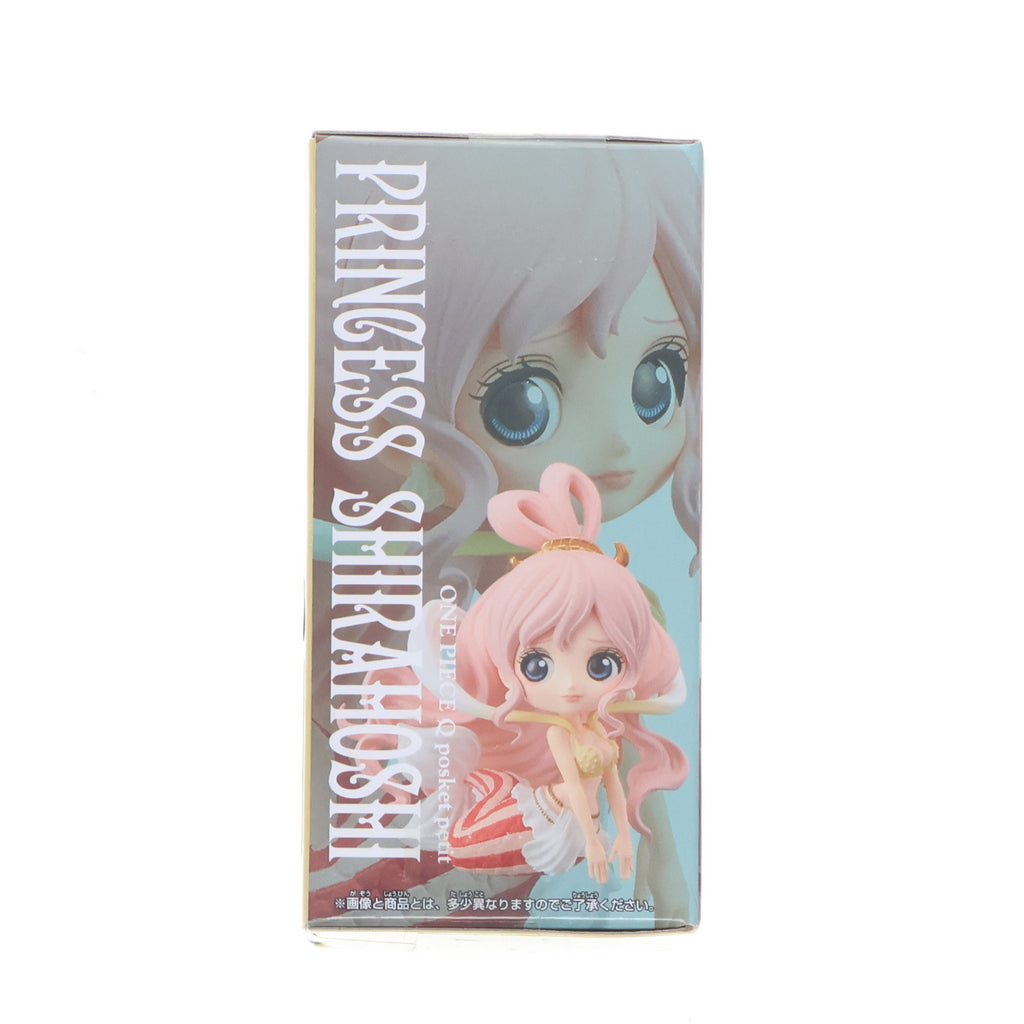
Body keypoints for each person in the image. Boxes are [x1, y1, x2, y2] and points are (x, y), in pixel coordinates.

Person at [370, 463, 689, 883]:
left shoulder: (599, 727)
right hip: (539, 816)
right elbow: (574, 788)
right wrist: (595, 842)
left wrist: (623, 838)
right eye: (537, 666)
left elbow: (612, 784)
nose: (570, 685)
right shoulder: (560, 732)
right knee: (463, 845)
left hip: (573, 827)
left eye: (601, 665)